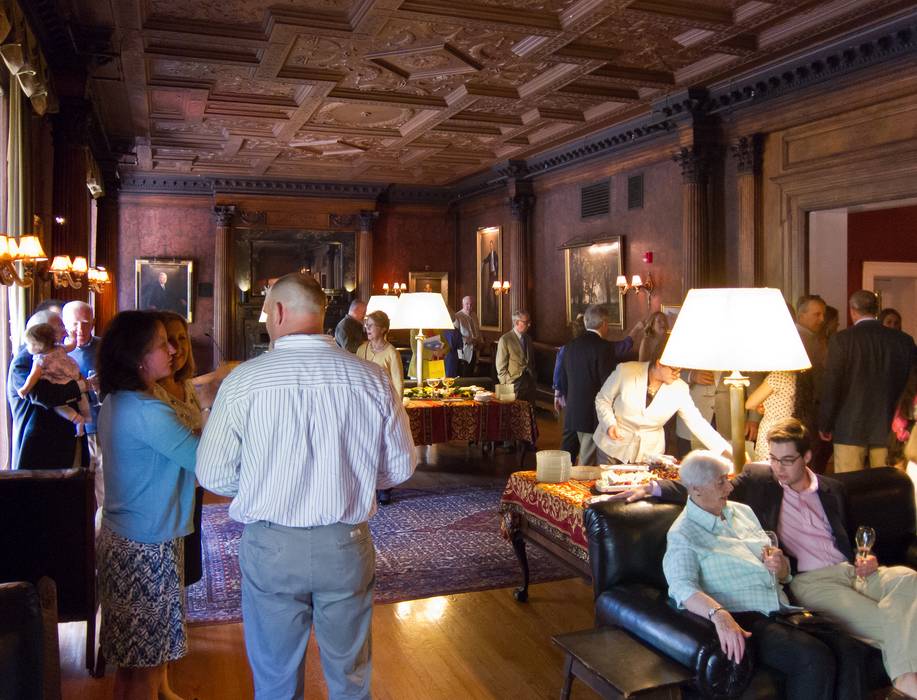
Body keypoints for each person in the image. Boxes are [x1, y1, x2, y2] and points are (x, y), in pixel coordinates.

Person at [196, 273, 415, 699]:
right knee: (351, 678)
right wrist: (352, 477)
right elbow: (400, 466)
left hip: (271, 546)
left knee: (276, 681)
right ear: (321, 313)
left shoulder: (245, 381)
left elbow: (213, 473)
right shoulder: (371, 378)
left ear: (277, 312)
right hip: (345, 544)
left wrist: (265, 483)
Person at [619, 417, 917, 698]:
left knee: (908, 577)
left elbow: (828, 545)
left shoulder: (814, 494)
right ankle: (906, 679)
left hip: (823, 585)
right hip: (805, 588)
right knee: (828, 652)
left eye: (787, 460)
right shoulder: (752, 486)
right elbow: (682, 584)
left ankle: (899, 656)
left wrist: (853, 560)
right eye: (773, 459)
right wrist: (652, 487)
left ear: (807, 457)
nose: (778, 468)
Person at [663, 451, 837, 700]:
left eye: (727, 478)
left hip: (782, 608)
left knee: (849, 649)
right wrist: (719, 614)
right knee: (813, 657)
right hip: (747, 617)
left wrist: (781, 566)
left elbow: (781, 569)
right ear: (696, 489)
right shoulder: (683, 534)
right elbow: (681, 587)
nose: (730, 486)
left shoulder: (742, 512)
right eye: (721, 481)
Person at [96, 311, 201, 700]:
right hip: (146, 547)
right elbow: (204, 461)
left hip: (128, 538)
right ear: (138, 356)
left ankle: (163, 692)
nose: (173, 350)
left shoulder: (117, 400)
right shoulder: (148, 411)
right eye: (163, 343)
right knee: (143, 660)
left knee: (136, 657)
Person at [819, 290, 916, 471]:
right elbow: (912, 384)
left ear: (852, 311)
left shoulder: (841, 340)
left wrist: (825, 423)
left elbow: (832, 385)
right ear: (877, 310)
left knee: (849, 487)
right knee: (888, 488)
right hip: (891, 427)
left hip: (850, 426)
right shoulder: (904, 341)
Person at [592, 342, 731, 463]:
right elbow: (602, 399)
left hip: (648, 454)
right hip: (613, 447)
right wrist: (609, 423)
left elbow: (698, 423)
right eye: (674, 369)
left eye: (680, 370)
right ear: (659, 363)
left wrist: (727, 451)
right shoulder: (626, 371)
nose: (677, 374)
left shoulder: (680, 388)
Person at [559, 304, 641, 465]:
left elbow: (563, 380)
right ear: (604, 324)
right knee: (586, 463)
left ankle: (557, 489)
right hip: (590, 415)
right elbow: (607, 385)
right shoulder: (604, 348)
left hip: (571, 413)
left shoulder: (569, 347)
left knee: (564, 461)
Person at [7, 310, 90, 469]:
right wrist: (80, 385)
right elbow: (46, 396)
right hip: (43, 450)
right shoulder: (25, 361)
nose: (64, 330)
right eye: (59, 326)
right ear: (41, 331)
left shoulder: (58, 353)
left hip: (68, 440)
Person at [63, 301, 103, 508]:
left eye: (85, 323)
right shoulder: (56, 354)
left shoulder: (104, 348)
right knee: (77, 494)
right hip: (73, 433)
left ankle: (102, 538)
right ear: (64, 324)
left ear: (93, 323)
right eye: (74, 323)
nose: (80, 329)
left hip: (104, 428)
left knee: (105, 492)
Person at [17, 323, 89, 435]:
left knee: (79, 399)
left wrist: (24, 389)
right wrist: (25, 389)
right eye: (60, 327)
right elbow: (41, 392)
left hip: (65, 379)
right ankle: (81, 418)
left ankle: (83, 418)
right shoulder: (30, 360)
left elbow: (34, 376)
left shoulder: (55, 350)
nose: (63, 330)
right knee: (65, 404)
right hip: (49, 434)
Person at [553, 314, 586, 459]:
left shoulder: (567, 349)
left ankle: (566, 466)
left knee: (570, 437)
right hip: (578, 399)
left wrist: (557, 395)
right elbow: (559, 373)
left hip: (570, 398)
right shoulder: (567, 349)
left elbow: (558, 373)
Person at [356, 310, 403, 397]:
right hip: (364, 399)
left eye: (371, 325)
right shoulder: (361, 350)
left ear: (383, 329)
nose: (367, 328)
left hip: (384, 400)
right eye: (367, 325)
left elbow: (398, 385)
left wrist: (397, 408)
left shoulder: (392, 353)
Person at [495, 309, 536, 403]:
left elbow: (531, 361)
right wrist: (507, 383)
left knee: (528, 414)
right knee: (513, 414)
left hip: (529, 383)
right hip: (513, 384)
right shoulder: (505, 339)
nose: (529, 324)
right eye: (526, 322)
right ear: (517, 322)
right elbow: (500, 367)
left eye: (529, 321)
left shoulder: (528, 339)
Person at [453, 296, 483, 376]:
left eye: (471, 304)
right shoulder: (457, 316)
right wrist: (467, 340)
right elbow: (455, 334)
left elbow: (478, 331)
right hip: (463, 353)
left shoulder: (474, 315)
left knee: (471, 376)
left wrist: (479, 341)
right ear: (463, 304)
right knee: (464, 377)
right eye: (467, 304)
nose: (469, 306)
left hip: (474, 351)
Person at [481, 239, 499, 326]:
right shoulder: (489, 254)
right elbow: (486, 260)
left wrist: (497, 271)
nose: (491, 247)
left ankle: (495, 306)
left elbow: (498, 263)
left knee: (495, 291)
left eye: (492, 245)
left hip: (495, 275)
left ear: (493, 246)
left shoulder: (495, 254)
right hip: (491, 274)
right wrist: (481, 262)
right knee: (488, 290)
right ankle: (489, 306)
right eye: (490, 245)